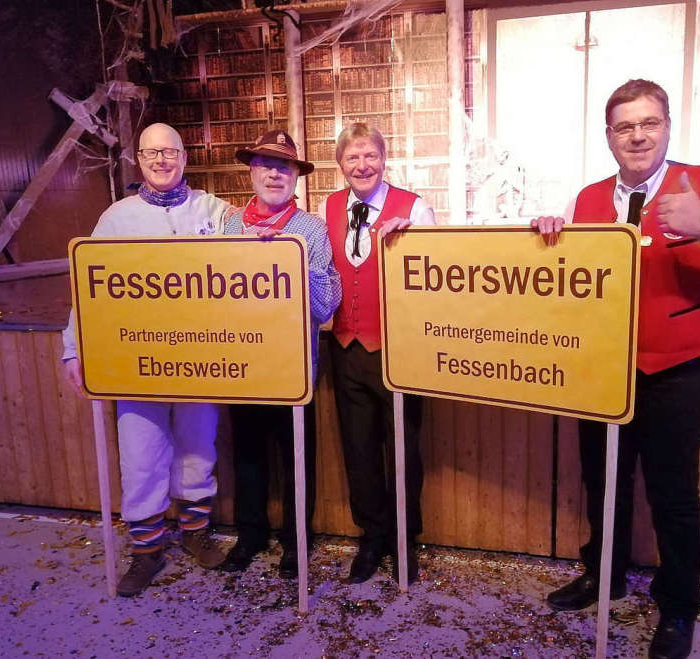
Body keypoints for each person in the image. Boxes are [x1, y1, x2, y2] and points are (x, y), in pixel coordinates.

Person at [531, 79, 700, 659]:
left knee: (673, 493)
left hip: (678, 370)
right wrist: (546, 239)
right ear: (609, 136)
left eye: (648, 123)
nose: (637, 135)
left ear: (666, 126)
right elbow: (565, 281)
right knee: (603, 482)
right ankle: (605, 575)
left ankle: (679, 604)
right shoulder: (586, 199)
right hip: (602, 371)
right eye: (625, 126)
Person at [61, 123, 237, 597]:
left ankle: (195, 533)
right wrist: (74, 347)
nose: (161, 160)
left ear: (184, 156)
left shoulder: (214, 211)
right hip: (136, 359)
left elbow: (250, 253)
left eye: (169, 151)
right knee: (141, 454)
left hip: (199, 358)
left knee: (198, 446)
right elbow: (88, 288)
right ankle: (146, 550)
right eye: (151, 152)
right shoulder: (116, 219)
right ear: (139, 160)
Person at [217, 130, 341, 577]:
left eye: (284, 167)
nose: (275, 174)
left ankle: (295, 542)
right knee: (247, 457)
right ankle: (249, 536)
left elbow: (326, 306)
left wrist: (290, 262)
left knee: (296, 458)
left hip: (293, 368)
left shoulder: (311, 229)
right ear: (251, 173)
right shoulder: (228, 226)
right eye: (266, 165)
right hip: (243, 366)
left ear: (295, 177)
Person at [319, 122, 436, 584]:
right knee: (359, 450)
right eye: (352, 157)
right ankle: (372, 537)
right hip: (346, 348)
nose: (362, 165)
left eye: (370, 155)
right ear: (340, 164)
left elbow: (435, 278)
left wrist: (415, 240)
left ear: (384, 160)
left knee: (404, 451)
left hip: (399, 353)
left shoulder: (415, 208)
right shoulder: (328, 207)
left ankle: (405, 540)